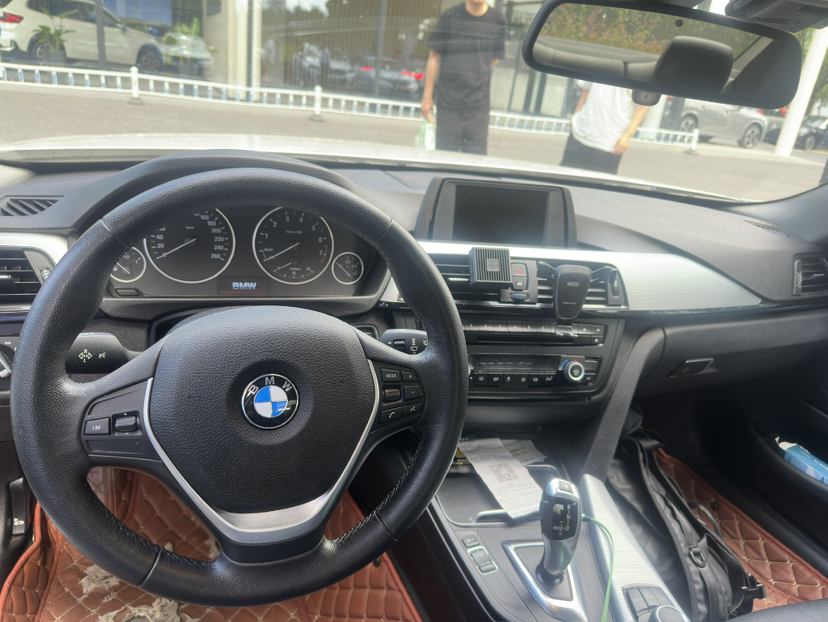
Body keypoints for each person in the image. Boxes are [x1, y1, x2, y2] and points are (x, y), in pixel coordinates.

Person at [422, 0, 506, 155]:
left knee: (475, 161)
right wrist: (427, 98)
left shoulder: (498, 19)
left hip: (479, 105)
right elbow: (433, 57)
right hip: (449, 103)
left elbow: (494, 59)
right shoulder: (450, 16)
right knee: (445, 158)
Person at [560, 81, 649, 175]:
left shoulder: (640, 74)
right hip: (580, 132)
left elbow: (643, 106)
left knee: (598, 182)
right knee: (566, 177)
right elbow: (586, 88)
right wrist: (576, 114)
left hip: (609, 142)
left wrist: (628, 135)